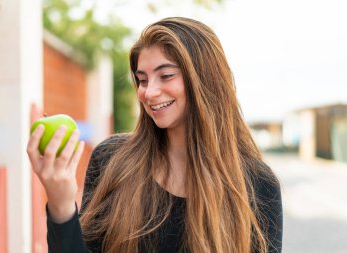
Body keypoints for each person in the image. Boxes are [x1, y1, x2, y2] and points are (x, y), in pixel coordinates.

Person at [27, 17, 283, 253]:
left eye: (166, 75)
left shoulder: (257, 184)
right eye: (142, 80)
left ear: (204, 80)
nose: (148, 93)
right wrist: (60, 203)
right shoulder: (112, 160)